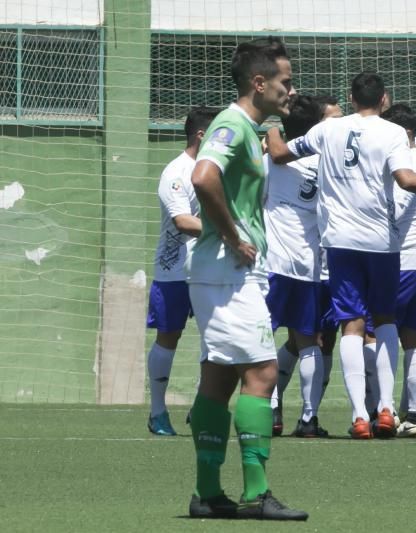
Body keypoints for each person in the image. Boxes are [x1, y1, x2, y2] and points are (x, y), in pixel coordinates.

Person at [267, 72, 416, 439]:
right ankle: (385, 409)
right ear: (384, 99)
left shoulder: (327, 130)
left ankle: (359, 415)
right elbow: (407, 180)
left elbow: (281, 153)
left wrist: (270, 129)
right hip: (381, 242)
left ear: (350, 98)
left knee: (351, 325)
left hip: (339, 242)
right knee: (385, 322)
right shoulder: (393, 132)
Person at [185, 37, 307, 520]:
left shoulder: (250, 128)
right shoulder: (233, 125)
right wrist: (233, 236)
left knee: (217, 380)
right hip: (227, 272)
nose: (290, 90)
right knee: (262, 373)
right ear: (259, 83)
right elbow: (202, 177)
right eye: (285, 81)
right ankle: (256, 493)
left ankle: (207, 494)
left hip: (228, 274)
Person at [146, 106, 219, 436]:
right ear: (202, 136)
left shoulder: (218, 170)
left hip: (210, 270)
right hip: (173, 270)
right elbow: (183, 221)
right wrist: (229, 231)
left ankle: (202, 407)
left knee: (215, 337)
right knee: (168, 337)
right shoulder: (176, 172)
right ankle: (158, 412)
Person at [263, 94, 328, 438]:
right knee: (308, 343)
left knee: (263, 337)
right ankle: (309, 418)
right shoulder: (325, 164)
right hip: (309, 266)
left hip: (273, 263)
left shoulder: (273, 162)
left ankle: (271, 410)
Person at [380, 103, 416, 437]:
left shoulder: (405, 163)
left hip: (402, 260)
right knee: (414, 338)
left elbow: (397, 211)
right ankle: (415, 417)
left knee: (375, 330)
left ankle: (382, 410)